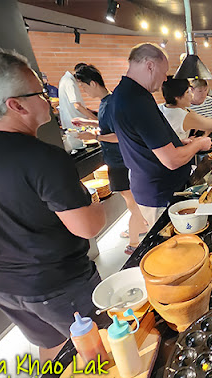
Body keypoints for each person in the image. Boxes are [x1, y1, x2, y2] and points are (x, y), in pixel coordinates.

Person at [0, 48, 105, 362]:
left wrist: (10, 217)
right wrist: (95, 201)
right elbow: (88, 226)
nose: (47, 99)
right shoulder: (44, 157)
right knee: (97, 350)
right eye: (41, 93)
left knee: (53, 349)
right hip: (58, 284)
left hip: (2, 284)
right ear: (15, 105)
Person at [106, 43, 212, 227]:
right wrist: (199, 143)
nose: (165, 79)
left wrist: (178, 142)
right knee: (171, 247)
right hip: (158, 193)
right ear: (149, 65)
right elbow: (171, 161)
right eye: (164, 72)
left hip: (158, 188)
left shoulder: (127, 94)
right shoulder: (136, 101)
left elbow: (144, 141)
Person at [73, 64, 148, 255]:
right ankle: (139, 226)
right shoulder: (107, 101)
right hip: (116, 160)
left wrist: (95, 137)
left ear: (93, 83)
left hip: (121, 161)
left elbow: (119, 135)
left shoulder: (112, 102)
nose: (84, 91)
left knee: (132, 203)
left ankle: (136, 240)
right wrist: (87, 122)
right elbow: (107, 124)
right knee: (130, 201)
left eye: (84, 87)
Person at [58, 64, 96, 129]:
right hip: (77, 124)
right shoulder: (69, 82)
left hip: (74, 122)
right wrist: (95, 119)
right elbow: (77, 106)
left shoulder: (66, 79)